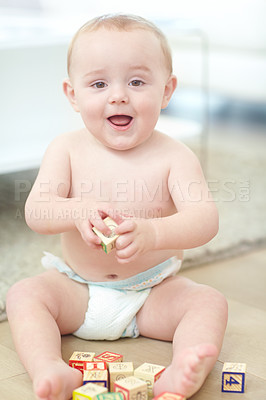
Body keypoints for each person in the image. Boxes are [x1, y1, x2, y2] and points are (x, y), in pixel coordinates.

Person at [6, 14, 228, 400]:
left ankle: (182, 370)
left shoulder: (175, 157)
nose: (118, 95)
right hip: (75, 290)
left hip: (152, 294)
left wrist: (154, 232)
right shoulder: (66, 149)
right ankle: (48, 367)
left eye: (137, 82)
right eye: (98, 83)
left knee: (208, 302)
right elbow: (37, 212)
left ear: (167, 90)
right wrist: (76, 211)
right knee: (24, 295)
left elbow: (204, 220)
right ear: (73, 94)